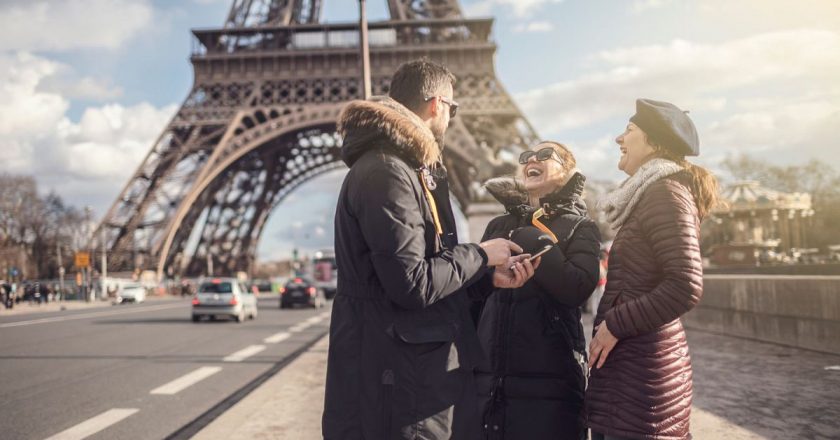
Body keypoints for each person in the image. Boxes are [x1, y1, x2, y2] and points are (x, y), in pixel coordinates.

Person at [322, 59, 538, 440]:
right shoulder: (387, 171)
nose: (452, 118)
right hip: (401, 386)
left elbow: (426, 276)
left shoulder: (403, 169)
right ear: (437, 104)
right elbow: (412, 284)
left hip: (407, 377)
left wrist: (486, 279)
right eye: (453, 109)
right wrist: (483, 253)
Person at [585, 99, 718, 440]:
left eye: (629, 131)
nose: (618, 139)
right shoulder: (650, 194)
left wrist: (614, 324)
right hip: (634, 370)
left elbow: (686, 284)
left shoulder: (665, 193)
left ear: (655, 143)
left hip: (642, 375)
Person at [475, 141, 601, 439]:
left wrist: (533, 238)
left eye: (545, 155)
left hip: (550, 382)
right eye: (526, 156)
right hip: (488, 379)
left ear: (567, 171)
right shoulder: (497, 225)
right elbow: (474, 293)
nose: (532, 159)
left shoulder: (580, 227)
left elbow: (577, 288)